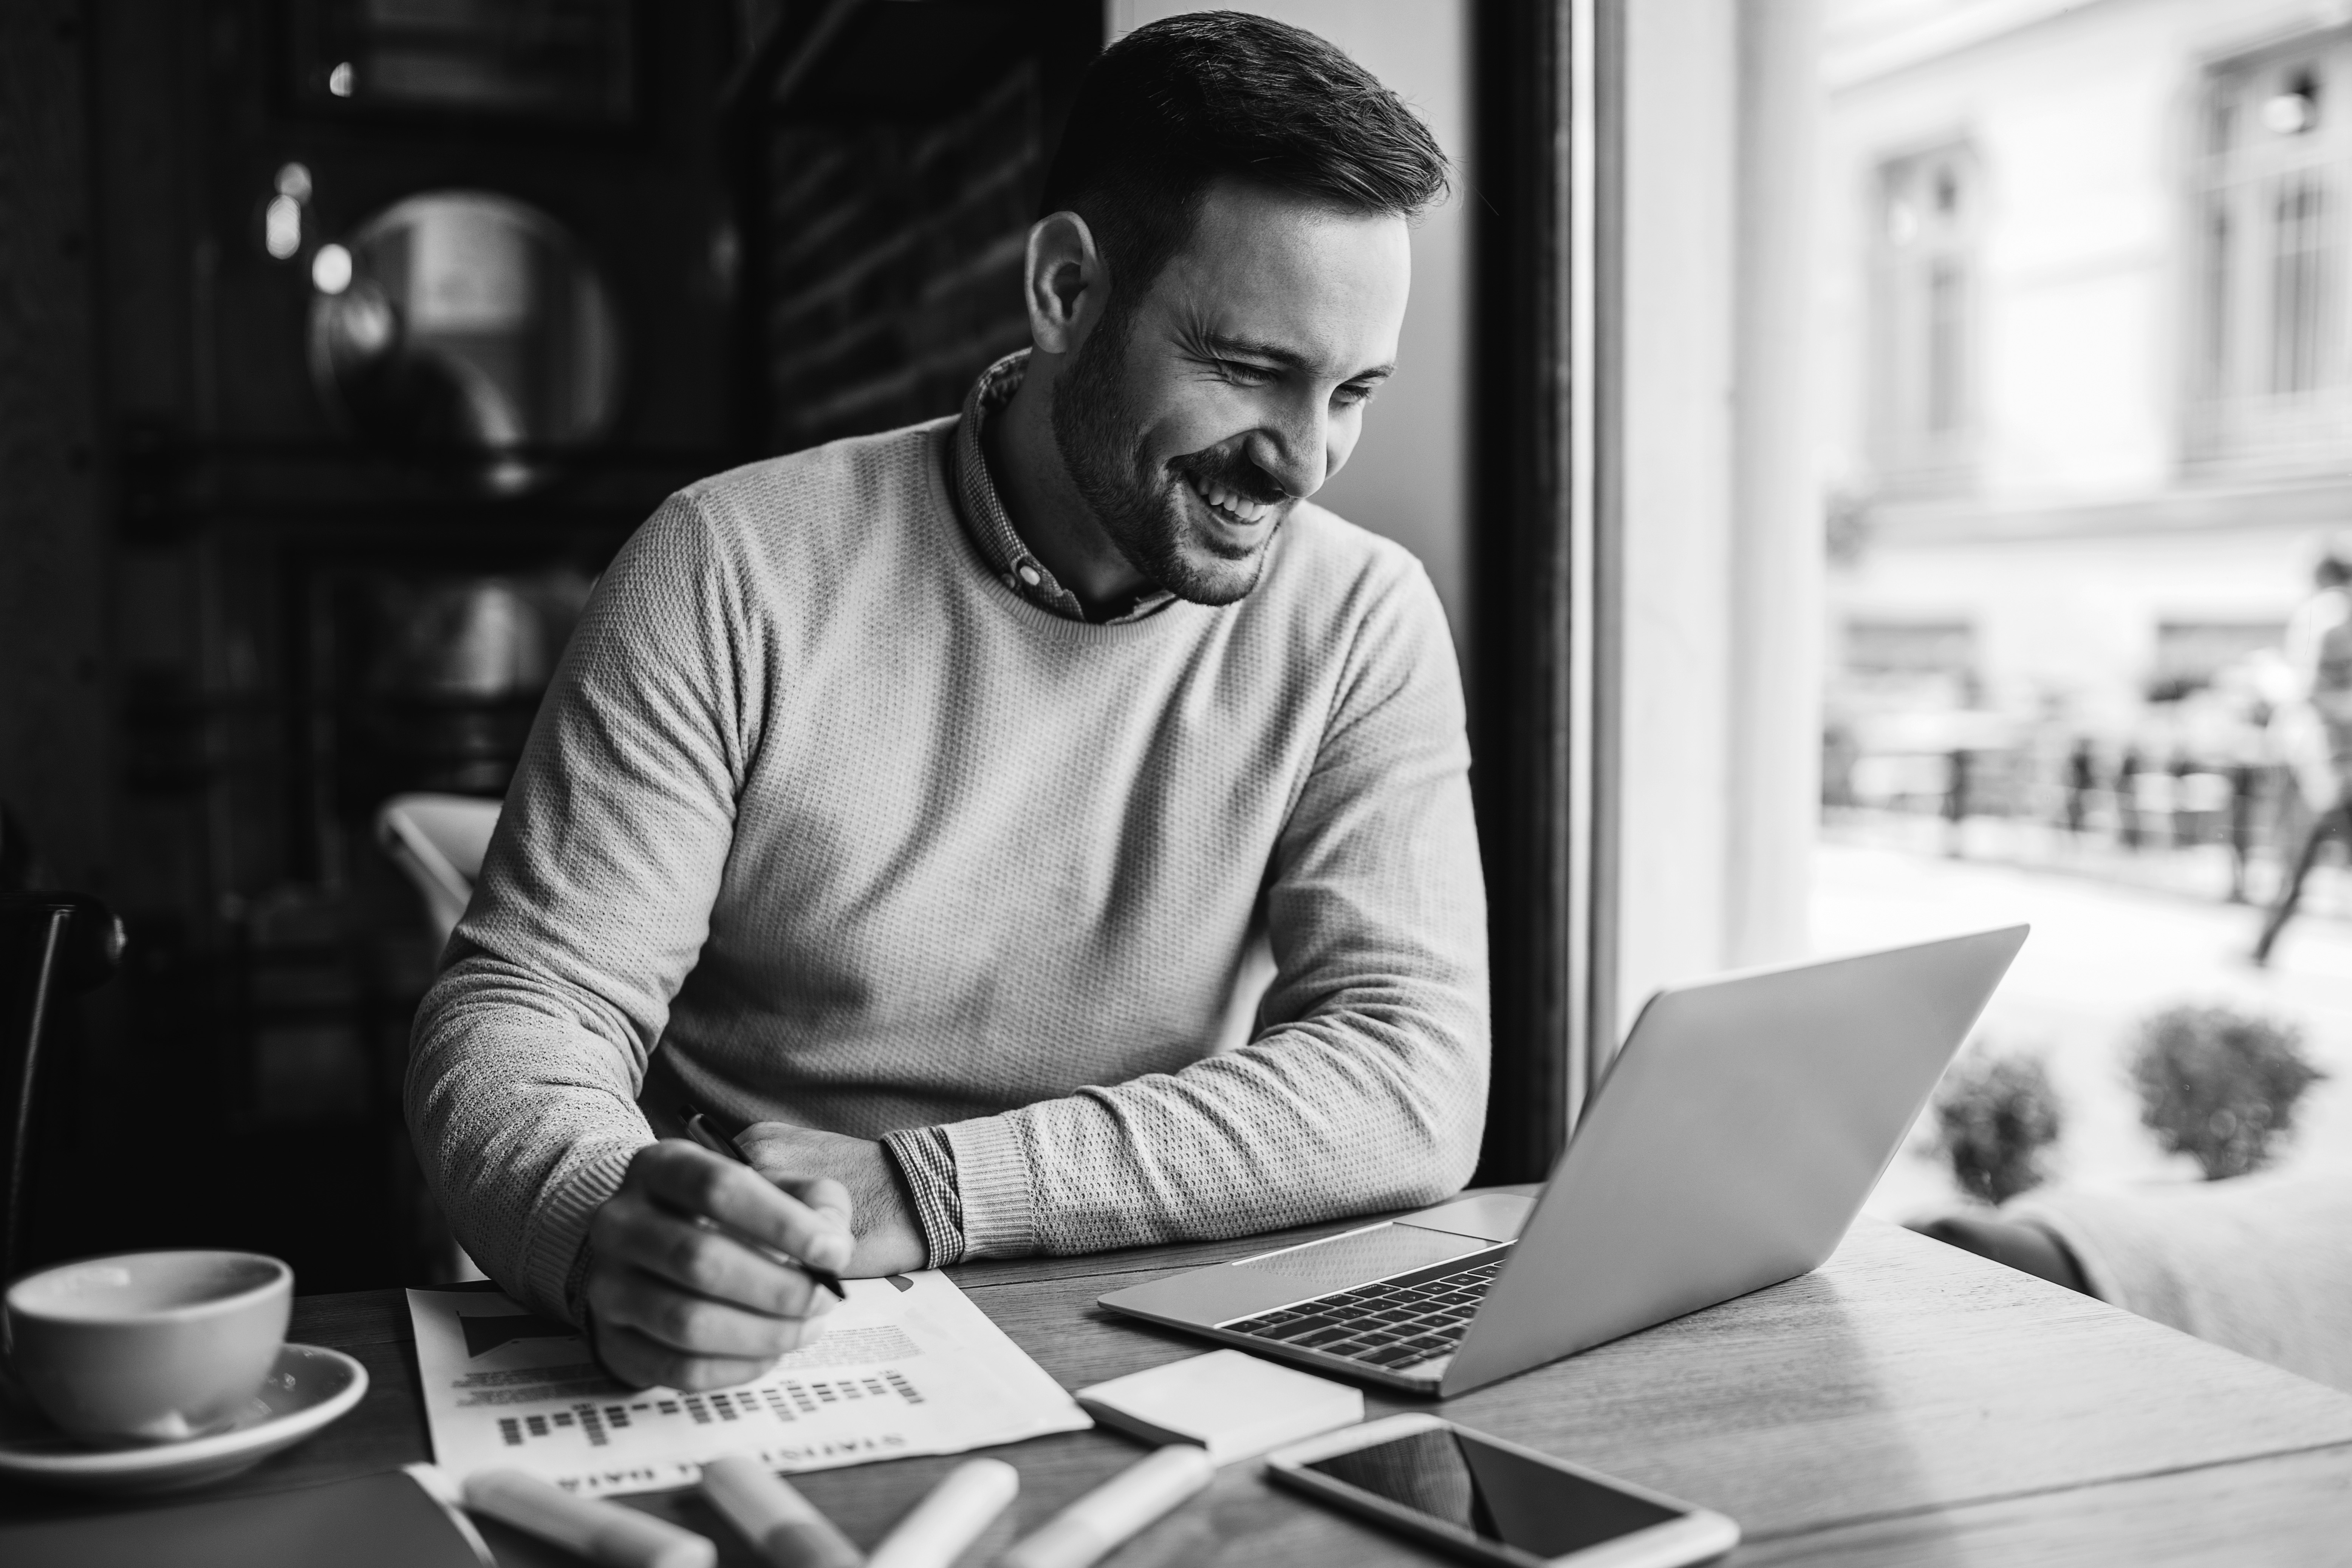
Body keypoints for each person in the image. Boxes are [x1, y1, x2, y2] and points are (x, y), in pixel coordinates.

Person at [405, 15, 1486, 1394]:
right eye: (1249, 368)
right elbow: (524, 1004)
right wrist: (602, 1220)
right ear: (1062, 291)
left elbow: (1409, 1075)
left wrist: (924, 1187)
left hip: (1151, 1326)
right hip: (780, 1333)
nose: (1303, 459)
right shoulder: (728, 564)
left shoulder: (1358, 618)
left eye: (1352, 392)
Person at [2253, 546, 2352, 964]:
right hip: (2332, 758)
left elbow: (2307, 687)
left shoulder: (2323, 614)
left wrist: (2273, 680)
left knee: (2299, 851)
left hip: (2328, 758)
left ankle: (2263, 946)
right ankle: (2262, 946)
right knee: (2301, 853)